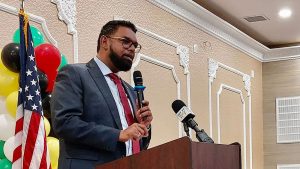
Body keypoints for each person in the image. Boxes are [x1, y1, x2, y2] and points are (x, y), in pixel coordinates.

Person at [51, 20, 153, 169]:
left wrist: (144, 127)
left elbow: (137, 143)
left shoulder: (130, 90)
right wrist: (118, 134)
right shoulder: (74, 74)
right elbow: (65, 123)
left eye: (135, 45)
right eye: (126, 41)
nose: (132, 49)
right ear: (104, 41)